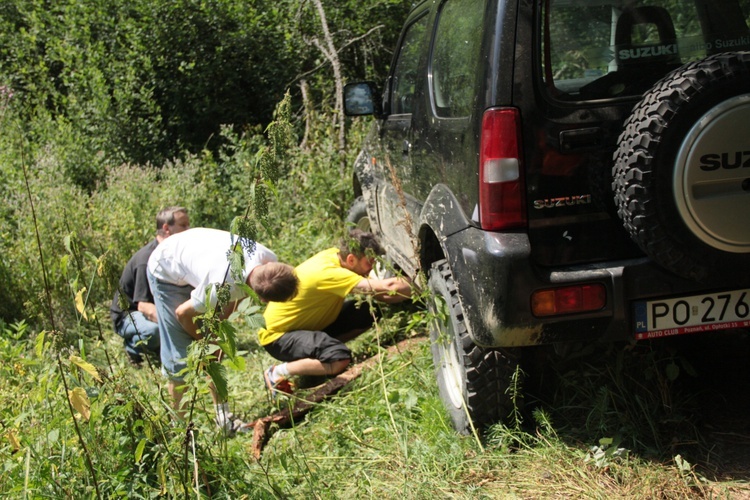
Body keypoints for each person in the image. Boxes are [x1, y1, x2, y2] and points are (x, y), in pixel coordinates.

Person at [147, 227, 298, 433]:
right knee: (179, 358)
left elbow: (242, 293)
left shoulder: (265, 261)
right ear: (264, 300)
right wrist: (206, 341)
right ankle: (178, 430)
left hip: (194, 254)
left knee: (214, 352)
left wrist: (216, 331)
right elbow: (182, 314)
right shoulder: (220, 285)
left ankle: (224, 419)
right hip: (166, 267)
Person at [258, 229, 412, 398]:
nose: (372, 267)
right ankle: (277, 373)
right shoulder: (331, 274)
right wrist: (424, 282)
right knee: (340, 358)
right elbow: (388, 289)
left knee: (368, 311)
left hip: (304, 325)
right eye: (369, 262)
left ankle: (319, 354)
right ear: (351, 259)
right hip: (277, 337)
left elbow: (381, 295)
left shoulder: (335, 256)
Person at [110, 206, 190, 366]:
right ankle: (133, 348)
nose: (189, 229)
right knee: (155, 332)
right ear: (166, 228)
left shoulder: (175, 254)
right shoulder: (147, 259)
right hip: (129, 315)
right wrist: (179, 327)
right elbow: (143, 306)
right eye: (183, 225)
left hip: (158, 308)